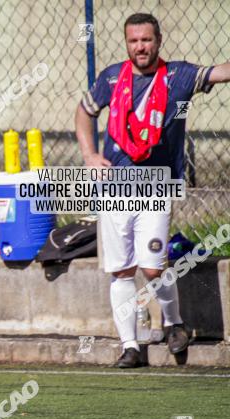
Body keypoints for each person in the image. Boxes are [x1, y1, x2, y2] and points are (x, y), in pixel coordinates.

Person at [74, 12, 229, 368]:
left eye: (146, 40)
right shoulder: (111, 78)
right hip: (114, 188)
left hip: (157, 186)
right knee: (121, 270)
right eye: (134, 41)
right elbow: (84, 113)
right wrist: (89, 154)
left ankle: (174, 323)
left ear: (158, 40)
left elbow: (220, 72)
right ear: (127, 43)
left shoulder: (179, 75)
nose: (140, 47)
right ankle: (130, 346)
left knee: (155, 266)